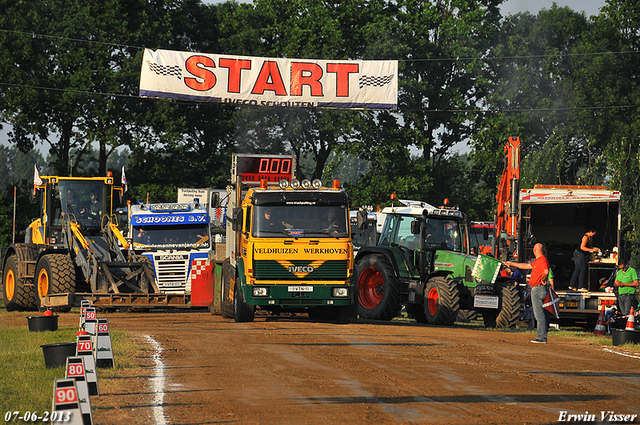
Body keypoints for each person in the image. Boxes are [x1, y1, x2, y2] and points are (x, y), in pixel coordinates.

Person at [505, 243, 550, 344]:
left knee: (539, 314)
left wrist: (542, 279)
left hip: (538, 288)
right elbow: (526, 266)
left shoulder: (541, 260)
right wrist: (512, 264)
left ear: (535, 250)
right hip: (538, 288)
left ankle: (542, 337)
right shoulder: (539, 261)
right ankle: (542, 335)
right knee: (541, 314)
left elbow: (546, 271)